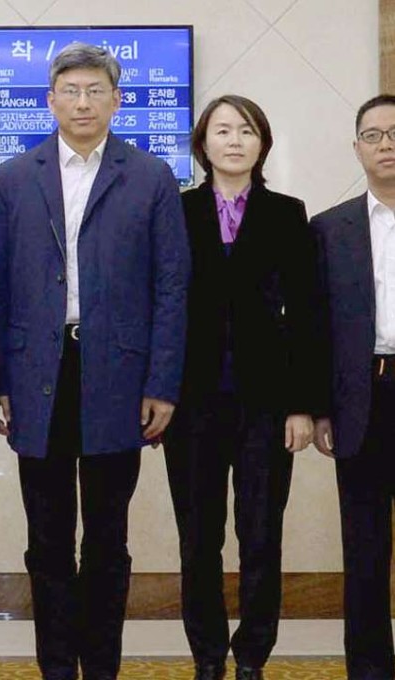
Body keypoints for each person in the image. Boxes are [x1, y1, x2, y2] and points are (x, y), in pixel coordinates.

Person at [0, 42, 189, 680]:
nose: (82, 102)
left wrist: (162, 381)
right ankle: (55, 668)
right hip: (35, 375)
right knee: (46, 540)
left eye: (95, 90)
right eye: (70, 91)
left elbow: (172, 286)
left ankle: (101, 666)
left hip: (119, 377)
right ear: (50, 100)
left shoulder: (150, 175)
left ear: (115, 100)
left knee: (107, 539)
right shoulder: (15, 177)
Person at [162, 95, 321, 680]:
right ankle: (207, 654)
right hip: (191, 404)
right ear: (202, 144)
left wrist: (303, 405)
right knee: (197, 539)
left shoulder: (286, 213)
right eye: (222, 130)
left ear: (263, 142)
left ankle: (252, 654)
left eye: (246, 130)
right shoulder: (176, 211)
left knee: (260, 537)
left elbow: (307, 314)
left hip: (266, 406)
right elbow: (161, 307)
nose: (234, 140)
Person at [312, 93, 395, 680]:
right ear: (357, 147)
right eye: (373, 135)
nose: (386, 144)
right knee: (364, 550)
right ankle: (369, 670)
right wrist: (319, 409)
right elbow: (314, 329)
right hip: (363, 398)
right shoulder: (329, 228)